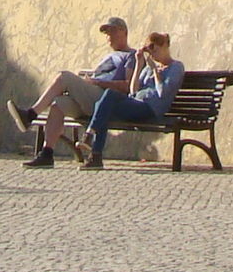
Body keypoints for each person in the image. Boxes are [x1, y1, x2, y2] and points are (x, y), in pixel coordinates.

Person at [7, 18, 137, 168]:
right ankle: (47, 153)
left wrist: (97, 82)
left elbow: (128, 86)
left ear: (124, 32)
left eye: (112, 31)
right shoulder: (107, 56)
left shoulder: (131, 56)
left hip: (104, 99)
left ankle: (30, 115)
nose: (109, 36)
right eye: (107, 33)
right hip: (89, 97)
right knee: (58, 104)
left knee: (64, 77)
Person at [65, 30, 184, 170]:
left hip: (150, 108)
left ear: (165, 46)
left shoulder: (176, 67)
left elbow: (162, 93)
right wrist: (140, 65)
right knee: (103, 105)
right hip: (135, 104)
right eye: (150, 51)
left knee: (108, 99)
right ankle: (95, 156)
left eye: (155, 50)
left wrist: (156, 72)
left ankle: (90, 138)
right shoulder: (150, 68)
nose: (153, 55)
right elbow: (133, 90)